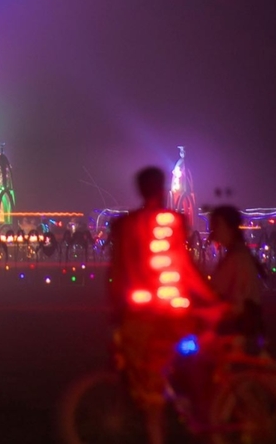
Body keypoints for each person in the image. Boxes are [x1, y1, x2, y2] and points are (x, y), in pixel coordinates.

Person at [108, 166, 216, 444]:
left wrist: (114, 305)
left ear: (140, 189)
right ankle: (202, 416)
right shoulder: (172, 221)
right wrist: (210, 299)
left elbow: (117, 270)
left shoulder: (125, 225)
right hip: (174, 314)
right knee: (192, 361)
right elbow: (184, 267)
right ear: (161, 188)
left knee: (148, 384)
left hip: (140, 316)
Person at [208, 205, 266, 352]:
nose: (212, 230)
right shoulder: (239, 253)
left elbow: (213, 291)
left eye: (216, 225)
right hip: (243, 327)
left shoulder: (236, 257)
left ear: (230, 228)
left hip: (237, 331)